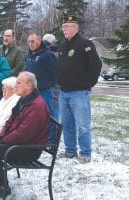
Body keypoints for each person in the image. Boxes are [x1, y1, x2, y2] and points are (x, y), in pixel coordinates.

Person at [0, 71, 50, 199]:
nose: (15, 86)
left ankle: (2, 188)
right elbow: (10, 121)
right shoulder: (24, 100)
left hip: (28, 149)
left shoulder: (37, 105)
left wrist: (4, 140)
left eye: (18, 83)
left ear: (29, 86)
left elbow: (24, 133)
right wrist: (1, 136)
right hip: (18, 143)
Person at [57, 15, 102, 164]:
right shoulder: (63, 44)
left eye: (67, 26)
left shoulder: (85, 43)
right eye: (63, 27)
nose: (64, 29)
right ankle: (70, 151)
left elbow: (96, 64)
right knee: (67, 124)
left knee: (82, 125)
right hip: (64, 92)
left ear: (76, 28)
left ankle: (85, 153)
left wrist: (91, 83)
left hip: (79, 93)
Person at [24, 32, 58, 121]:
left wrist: (48, 84)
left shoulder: (48, 54)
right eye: (29, 42)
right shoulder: (28, 55)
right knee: (33, 117)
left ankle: (53, 134)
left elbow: (55, 72)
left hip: (44, 92)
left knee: (48, 115)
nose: (30, 44)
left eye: (32, 41)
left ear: (39, 41)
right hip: (30, 92)